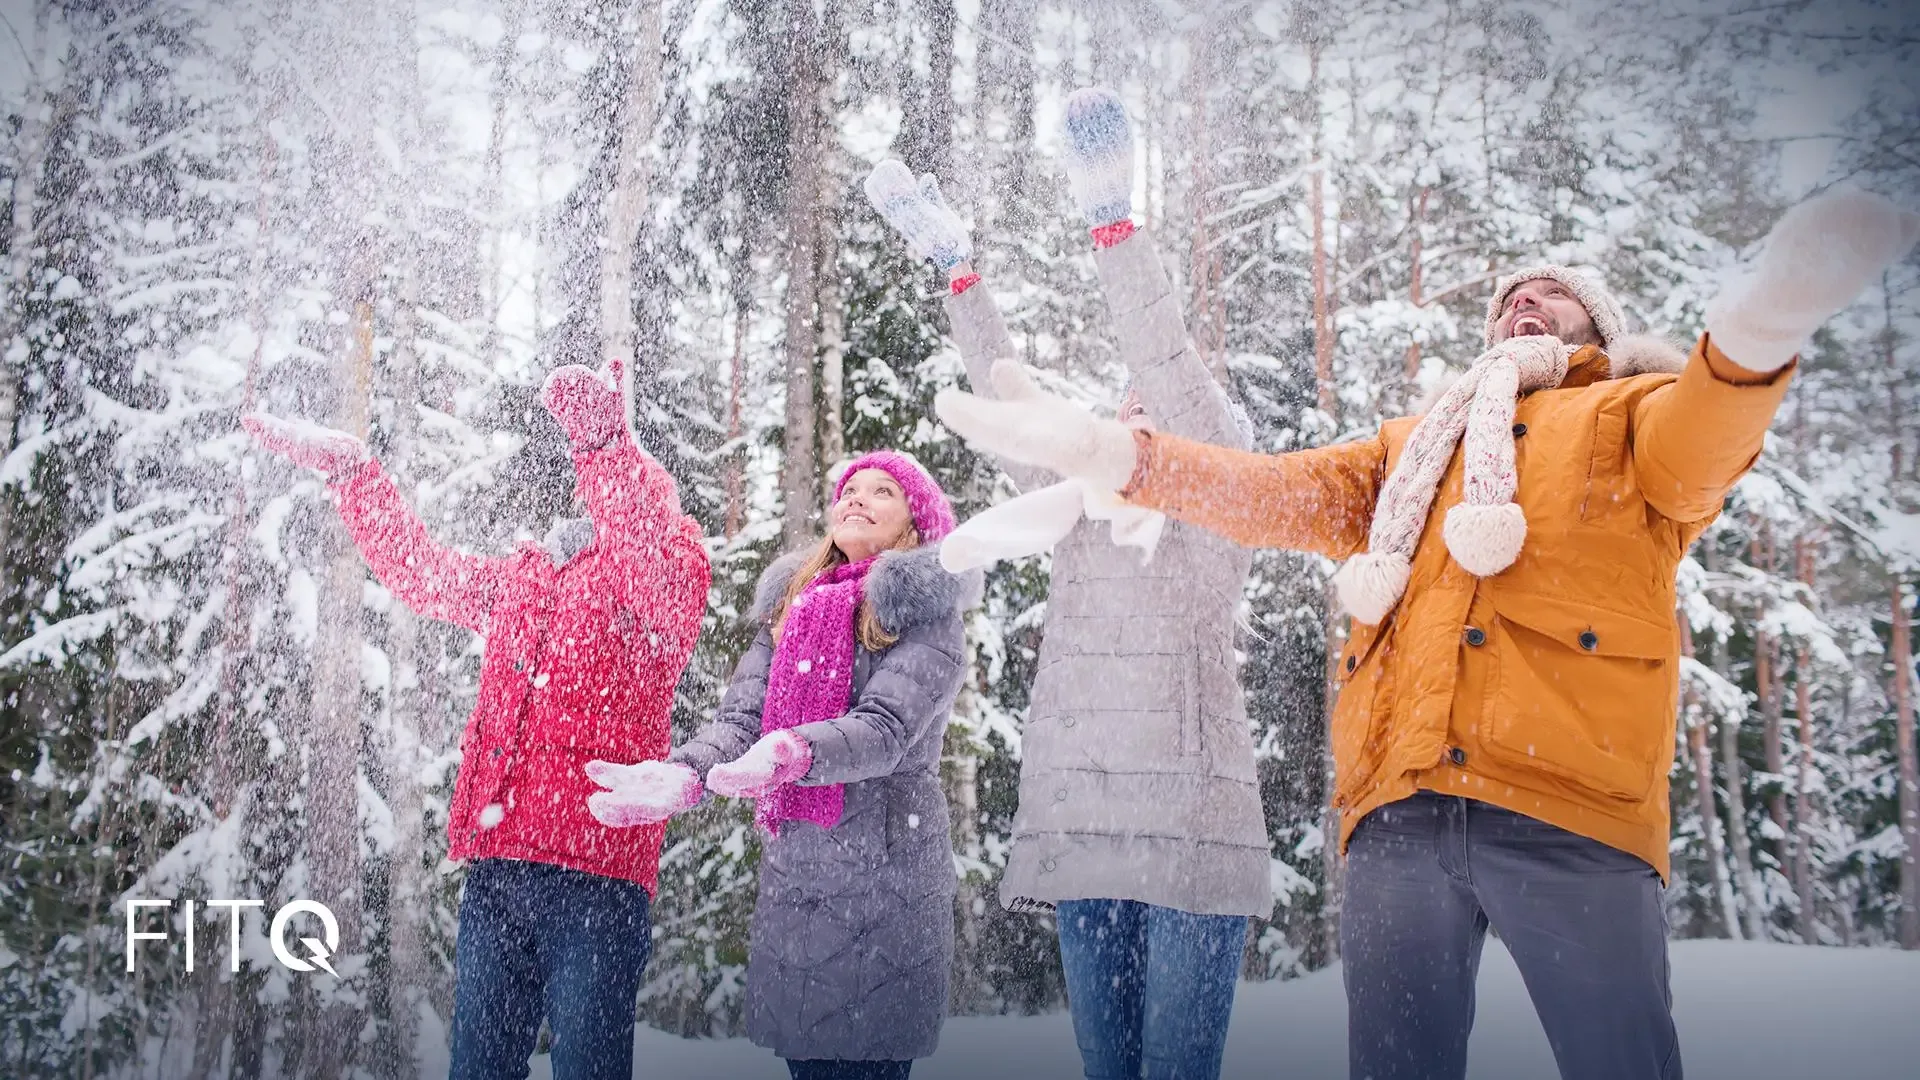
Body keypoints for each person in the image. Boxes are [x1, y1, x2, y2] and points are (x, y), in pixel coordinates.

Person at [933, 188, 1920, 1079]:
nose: (1523, 302)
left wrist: (1758, 330)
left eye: (1552, 294)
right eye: (1509, 297)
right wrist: (1115, 454)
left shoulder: (1630, 413)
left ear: (1600, 328)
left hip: (1571, 810)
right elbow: (1276, 493)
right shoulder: (1410, 451)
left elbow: (1707, 438)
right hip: (1400, 811)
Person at [863, 85, 1268, 1080]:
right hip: (1084, 840)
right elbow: (1009, 393)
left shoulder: (1223, 504)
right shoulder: (1071, 508)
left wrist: (1113, 223)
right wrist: (958, 275)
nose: (1135, 404)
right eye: (1123, 400)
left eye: (1156, 403)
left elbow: (1165, 359)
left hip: (1189, 847)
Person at [245, 359, 709, 1080]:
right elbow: (422, 573)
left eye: (626, 480)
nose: (610, 494)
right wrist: (357, 477)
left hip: (598, 877)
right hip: (498, 872)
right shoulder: (527, 579)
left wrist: (605, 448)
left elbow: (645, 559)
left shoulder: (669, 571)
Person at [587, 450, 972, 1080]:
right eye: (849, 488)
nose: (857, 498)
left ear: (915, 525)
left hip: (884, 888)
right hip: (800, 886)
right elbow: (742, 725)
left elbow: (885, 730)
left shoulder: (928, 616)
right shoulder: (794, 608)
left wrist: (796, 751)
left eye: (882, 492)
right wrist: (688, 771)